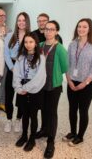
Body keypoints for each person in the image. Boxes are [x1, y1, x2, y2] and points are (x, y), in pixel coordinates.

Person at [63, 18, 92, 146]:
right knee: (72, 109)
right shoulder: (72, 44)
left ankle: (80, 136)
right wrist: (68, 80)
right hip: (72, 82)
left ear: (89, 29)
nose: (81, 29)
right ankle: (73, 132)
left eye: (84, 27)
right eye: (79, 26)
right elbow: (67, 64)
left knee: (83, 111)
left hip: (87, 84)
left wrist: (84, 83)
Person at [36, 20, 68, 158]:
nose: (48, 31)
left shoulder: (60, 48)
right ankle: (43, 130)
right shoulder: (40, 46)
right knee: (43, 108)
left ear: (56, 32)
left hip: (53, 85)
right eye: (46, 29)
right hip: (40, 85)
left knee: (52, 112)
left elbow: (65, 68)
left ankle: (51, 142)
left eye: (51, 29)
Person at [4, 12, 30, 133]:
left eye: (23, 20)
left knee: (22, 95)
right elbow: (6, 53)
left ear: (27, 22)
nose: (21, 22)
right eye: (19, 20)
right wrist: (12, 68)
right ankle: (9, 119)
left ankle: (18, 119)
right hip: (12, 68)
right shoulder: (10, 35)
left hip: (25, 69)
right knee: (9, 95)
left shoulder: (31, 36)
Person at [0, 9, 11, 112]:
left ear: (5, 17)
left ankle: (1, 103)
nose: (0, 17)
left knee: (4, 84)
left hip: (5, 61)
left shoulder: (10, 31)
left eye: (2, 15)